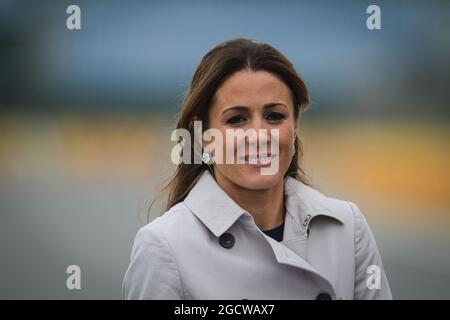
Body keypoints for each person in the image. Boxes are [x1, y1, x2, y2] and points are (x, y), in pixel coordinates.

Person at [122, 38, 392, 300]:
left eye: (275, 116)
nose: (259, 135)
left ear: (295, 125)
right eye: (237, 119)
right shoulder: (163, 246)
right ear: (202, 134)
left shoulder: (347, 226)